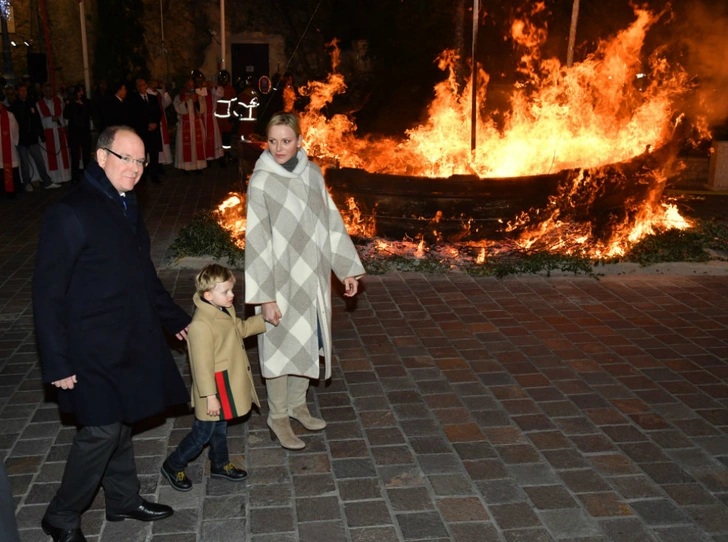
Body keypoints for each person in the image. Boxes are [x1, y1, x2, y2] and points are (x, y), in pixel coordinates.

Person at [33, 126, 192, 542]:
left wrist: (174, 318)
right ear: (101, 157)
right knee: (101, 429)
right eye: (127, 158)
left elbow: (143, 273)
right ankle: (62, 515)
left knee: (120, 420)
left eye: (141, 161)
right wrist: (57, 361)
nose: (136, 169)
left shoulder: (126, 203)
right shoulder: (69, 212)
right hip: (87, 346)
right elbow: (46, 294)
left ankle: (123, 498)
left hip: (127, 338)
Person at [245, 112, 365, 451]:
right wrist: (264, 296)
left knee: (307, 341)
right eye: (273, 141)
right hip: (281, 281)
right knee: (281, 348)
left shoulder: (312, 173)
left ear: (299, 141)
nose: (279, 148)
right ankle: (278, 415)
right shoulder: (261, 181)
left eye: (286, 140)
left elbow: (331, 223)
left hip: (312, 278)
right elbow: (256, 242)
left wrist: (347, 270)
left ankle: (298, 405)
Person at [161, 264, 267, 491]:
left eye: (231, 290)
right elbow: (200, 366)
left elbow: (239, 329)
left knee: (220, 427)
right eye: (226, 291)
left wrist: (264, 320)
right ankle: (173, 464)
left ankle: (219, 463)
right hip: (215, 385)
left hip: (226, 382)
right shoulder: (200, 325)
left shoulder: (223, 309)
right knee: (203, 433)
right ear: (208, 295)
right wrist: (209, 396)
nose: (232, 296)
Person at [9, 84, 59, 191]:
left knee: (39, 160)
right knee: (25, 163)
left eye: (25, 90)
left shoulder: (31, 103)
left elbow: (37, 120)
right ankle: (27, 183)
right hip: (21, 139)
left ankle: (46, 181)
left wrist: (41, 134)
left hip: (32, 138)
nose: (24, 92)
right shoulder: (14, 106)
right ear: (18, 92)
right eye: (21, 90)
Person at [128, 78, 162, 183]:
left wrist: (155, 123)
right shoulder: (134, 101)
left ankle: (154, 176)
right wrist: (147, 124)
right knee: (142, 155)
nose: (141, 87)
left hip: (154, 130)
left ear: (146, 85)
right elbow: (135, 116)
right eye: (139, 85)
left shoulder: (153, 98)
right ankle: (141, 178)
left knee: (154, 154)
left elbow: (158, 112)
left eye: (143, 85)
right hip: (143, 131)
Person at [37, 83, 72, 184]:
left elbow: (63, 116)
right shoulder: (39, 104)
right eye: (46, 91)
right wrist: (50, 118)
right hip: (48, 133)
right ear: (43, 92)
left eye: (50, 91)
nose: (49, 93)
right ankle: (53, 178)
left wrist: (58, 120)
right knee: (50, 158)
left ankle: (65, 176)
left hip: (59, 132)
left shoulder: (58, 101)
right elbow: (40, 120)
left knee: (62, 157)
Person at [173, 78, 206, 173]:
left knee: (197, 147)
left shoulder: (198, 96)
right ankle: (186, 168)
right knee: (185, 147)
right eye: (188, 85)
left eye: (192, 85)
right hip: (184, 125)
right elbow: (179, 110)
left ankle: (198, 166)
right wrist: (185, 101)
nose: (190, 87)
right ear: (185, 85)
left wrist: (196, 101)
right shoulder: (179, 97)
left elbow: (202, 110)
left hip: (196, 125)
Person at [63, 84, 93, 184]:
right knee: (75, 155)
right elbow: (66, 115)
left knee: (86, 155)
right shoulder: (71, 104)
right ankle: (75, 176)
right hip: (74, 133)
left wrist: (81, 104)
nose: (81, 93)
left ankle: (88, 175)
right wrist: (69, 103)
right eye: (79, 91)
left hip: (84, 132)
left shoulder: (86, 102)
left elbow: (89, 113)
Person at [195, 72, 224, 164]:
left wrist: (214, 86)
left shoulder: (210, 91)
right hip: (200, 118)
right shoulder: (195, 90)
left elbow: (220, 94)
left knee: (213, 138)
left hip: (211, 117)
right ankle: (204, 157)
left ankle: (213, 157)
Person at [147, 79, 173, 167]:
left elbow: (165, 104)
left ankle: (161, 163)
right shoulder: (147, 93)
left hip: (161, 118)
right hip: (153, 120)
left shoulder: (158, 93)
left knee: (162, 142)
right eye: (155, 83)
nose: (157, 84)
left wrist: (164, 91)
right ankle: (154, 164)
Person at [213, 70, 237, 166]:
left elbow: (234, 103)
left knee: (225, 138)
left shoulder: (228, 89)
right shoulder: (217, 89)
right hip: (220, 119)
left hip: (224, 119)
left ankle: (224, 154)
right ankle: (221, 155)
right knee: (222, 138)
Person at [0, 100, 21, 198]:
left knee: (10, 167)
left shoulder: (9, 115)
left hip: (8, 147)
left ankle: (11, 192)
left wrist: (15, 142)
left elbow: (15, 129)